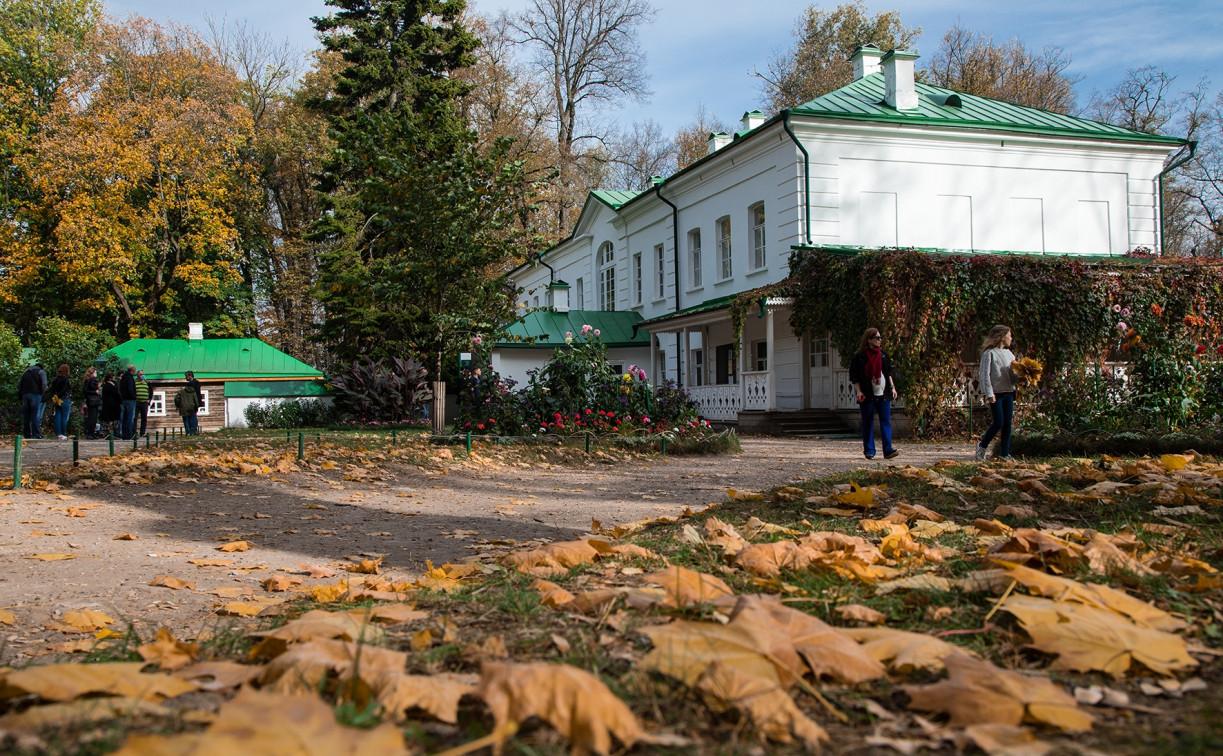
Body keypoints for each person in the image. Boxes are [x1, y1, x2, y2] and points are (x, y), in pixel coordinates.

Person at [848, 327, 899, 461]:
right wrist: (859, 391)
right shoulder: (859, 357)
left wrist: (892, 388)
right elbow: (855, 376)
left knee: (885, 421)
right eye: (877, 338)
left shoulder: (883, 355)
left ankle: (888, 450)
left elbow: (887, 373)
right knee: (868, 422)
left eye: (880, 338)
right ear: (869, 339)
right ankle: (869, 450)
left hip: (883, 393)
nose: (880, 340)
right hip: (867, 393)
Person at [976, 324, 1017, 462]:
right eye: (1009, 335)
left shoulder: (1009, 354)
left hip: (1009, 392)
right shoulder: (989, 354)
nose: (1011, 338)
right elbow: (984, 375)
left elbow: (1013, 375)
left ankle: (1005, 454)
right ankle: (982, 446)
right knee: (998, 422)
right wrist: (989, 393)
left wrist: (1024, 376)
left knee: (1007, 424)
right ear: (1002, 336)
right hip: (996, 394)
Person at [18, 363, 46, 439]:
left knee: (26, 415)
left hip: (25, 394)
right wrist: (42, 393)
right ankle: (36, 434)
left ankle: (27, 434)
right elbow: (44, 384)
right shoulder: (41, 372)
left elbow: (19, 384)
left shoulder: (26, 372)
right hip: (36, 394)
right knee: (34, 414)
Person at [49, 364, 72, 440]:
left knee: (58, 416)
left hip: (57, 400)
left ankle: (58, 433)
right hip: (65, 399)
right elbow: (64, 390)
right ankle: (63, 433)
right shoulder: (66, 379)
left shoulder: (55, 379)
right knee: (64, 417)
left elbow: (52, 389)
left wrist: (55, 397)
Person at [100, 372, 121, 439]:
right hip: (112, 406)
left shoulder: (105, 386)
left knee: (108, 421)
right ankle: (111, 434)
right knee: (111, 421)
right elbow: (116, 394)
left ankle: (108, 433)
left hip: (107, 406)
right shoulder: (111, 386)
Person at [119, 365, 137, 439]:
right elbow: (130, 389)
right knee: (130, 417)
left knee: (124, 417)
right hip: (129, 399)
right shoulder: (130, 377)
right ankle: (129, 434)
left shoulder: (123, 377)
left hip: (124, 399)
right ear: (132, 370)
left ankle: (124, 434)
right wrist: (134, 396)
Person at [82, 367, 102, 439]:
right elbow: (85, 390)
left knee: (95, 417)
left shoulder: (94, 380)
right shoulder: (88, 380)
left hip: (96, 400)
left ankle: (92, 432)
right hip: (91, 400)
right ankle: (89, 433)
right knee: (91, 417)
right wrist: (94, 392)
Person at [134, 369, 151, 437]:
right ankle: (134, 432)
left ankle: (142, 432)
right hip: (136, 402)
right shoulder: (134, 382)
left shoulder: (147, 382)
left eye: (143, 374)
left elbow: (151, 391)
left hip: (144, 402)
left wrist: (149, 399)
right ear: (137, 375)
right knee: (135, 418)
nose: (142, 376)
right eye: (141, 374)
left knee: (144, 418)